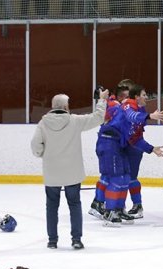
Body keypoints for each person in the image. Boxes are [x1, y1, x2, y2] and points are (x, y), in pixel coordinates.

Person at [31, 90, 108, 249]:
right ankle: (76, 240)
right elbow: (98, 117)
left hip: (52, 173)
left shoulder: (43, 123)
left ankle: (52, 241)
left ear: (52, 106)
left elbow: (35, 145)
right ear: (66, 106)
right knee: (74, 204)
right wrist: (101, 100)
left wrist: (42, 154)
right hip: (72, 173)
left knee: (51, 206)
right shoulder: (75, 121)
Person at [120, 84, 163, 219]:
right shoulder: (128, 105)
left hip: (133, 147)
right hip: (120, 145)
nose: (146, 97)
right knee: (120, 177)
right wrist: (150, 116)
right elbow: (131, 116)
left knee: (131, 178)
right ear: (136, 97)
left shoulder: (141, 109)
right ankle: (117, 206)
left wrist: (151, 149)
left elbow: (137, 136)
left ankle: (137, 205)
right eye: (144, 94)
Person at [89, 82, 131, 219]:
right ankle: (101, 204)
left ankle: (98, 203)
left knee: (107, 176)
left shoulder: (113, 103)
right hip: (109, 143)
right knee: (111, 177)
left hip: (110, 143)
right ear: (120, 96)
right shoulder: (115, 105)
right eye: (127, 96)